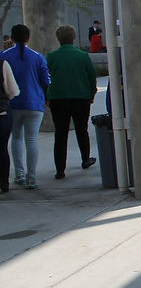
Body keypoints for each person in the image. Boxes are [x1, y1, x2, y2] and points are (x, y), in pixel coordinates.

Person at [46, 25, 98, 179]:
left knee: (60, 134)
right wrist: (91, 93)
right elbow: (91, 76)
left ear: (58, 39)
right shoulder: (82, 56)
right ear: (73, 38)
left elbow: (44, 77)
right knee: (82, 129)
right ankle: (85, 159)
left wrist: (46, 96)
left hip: (58, 99)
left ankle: (60, 169)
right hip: (80, 97)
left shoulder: (51, 56)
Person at [1, 24, 49, 189]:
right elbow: (46, 80)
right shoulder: (37, 56)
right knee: (32, 140)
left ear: (11, 38)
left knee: (16, 138)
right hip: (34, 103)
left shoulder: (4, 56)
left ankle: (19, 174)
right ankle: (32, 177)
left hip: (12, 104)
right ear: (28, 38)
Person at [0, 56, 20, 193]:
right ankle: (3, 182)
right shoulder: (3, 64)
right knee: (2, 148)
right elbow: (12, 91)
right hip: (2, 111)